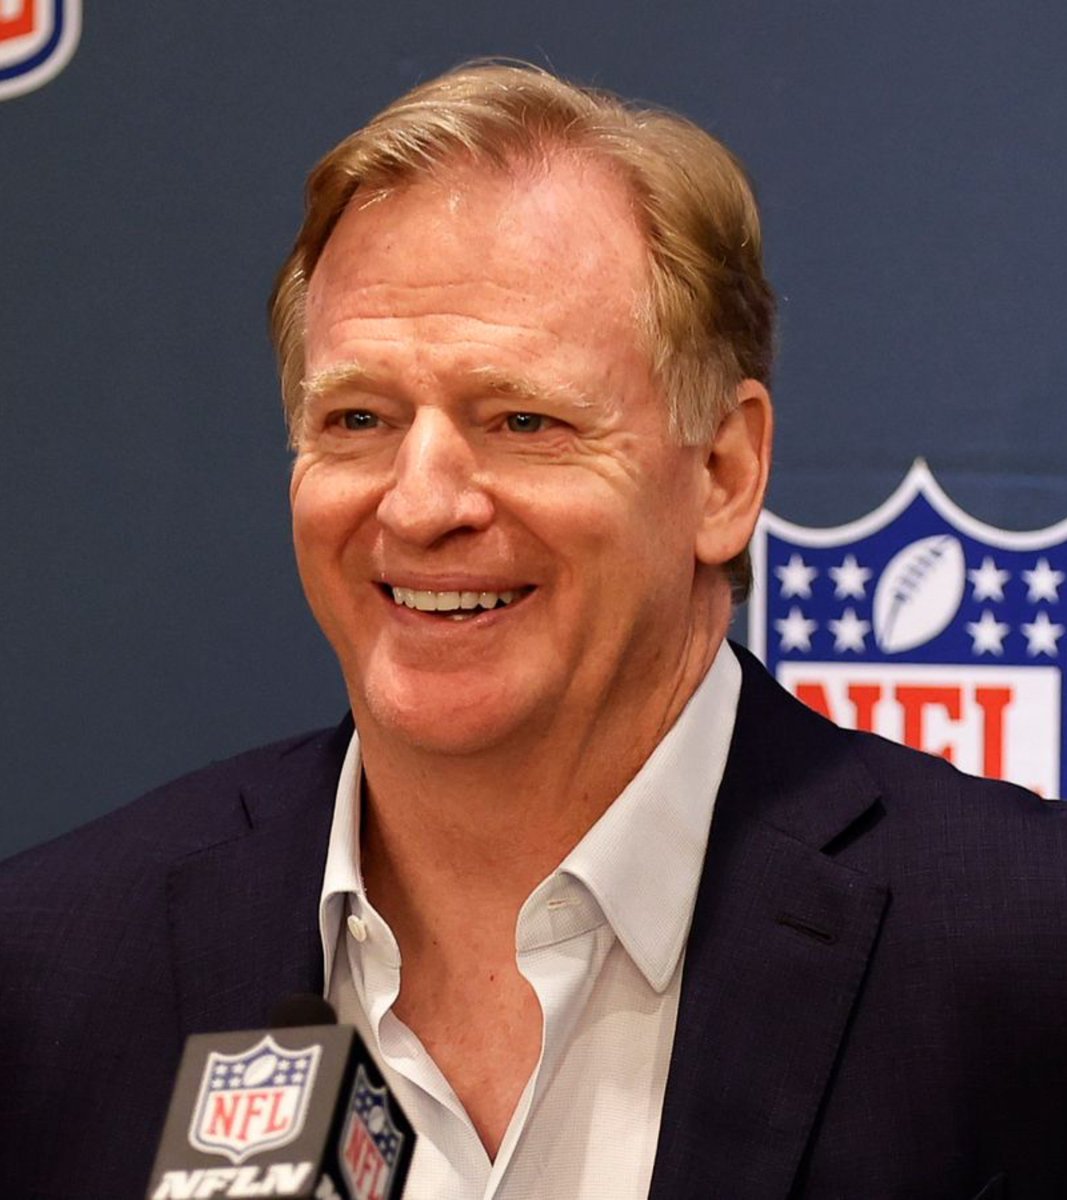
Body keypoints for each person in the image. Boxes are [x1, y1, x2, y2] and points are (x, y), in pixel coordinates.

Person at [2, 61, 1066, 1200]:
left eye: (521, 420)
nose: (419, 505)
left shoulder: (1022, 957)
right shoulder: (51, 970)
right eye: (357, 419)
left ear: (721, 472)